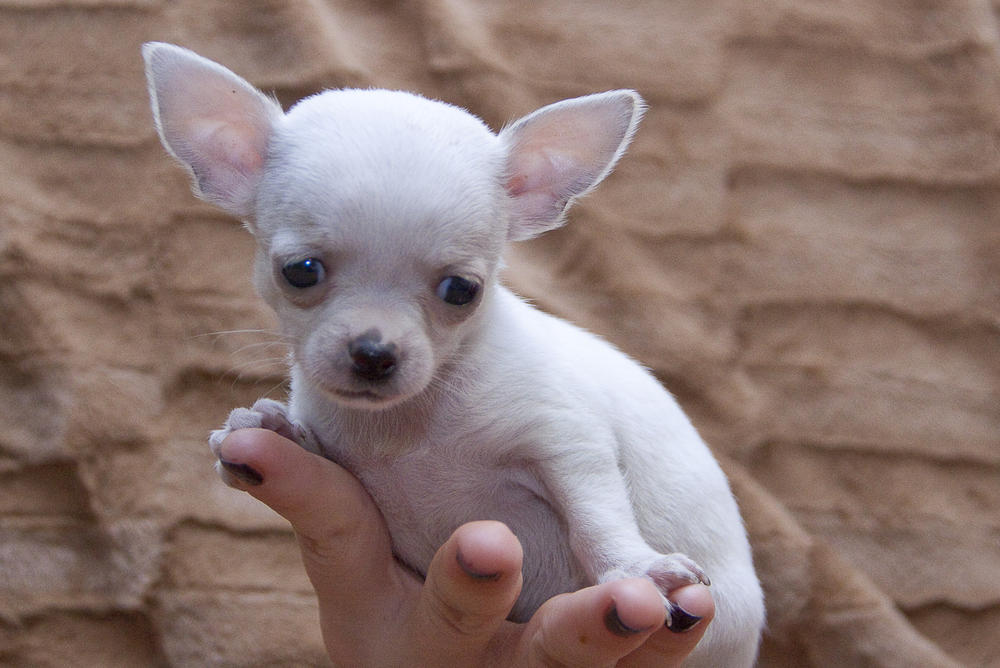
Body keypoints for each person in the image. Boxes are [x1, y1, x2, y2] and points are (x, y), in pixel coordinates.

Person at [216, 427, 715, 666]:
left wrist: (616, 554)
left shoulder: (516, 367)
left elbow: (572, 442)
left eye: (456, 290)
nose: (373, 342)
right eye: (305, 272)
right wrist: (304, 439)